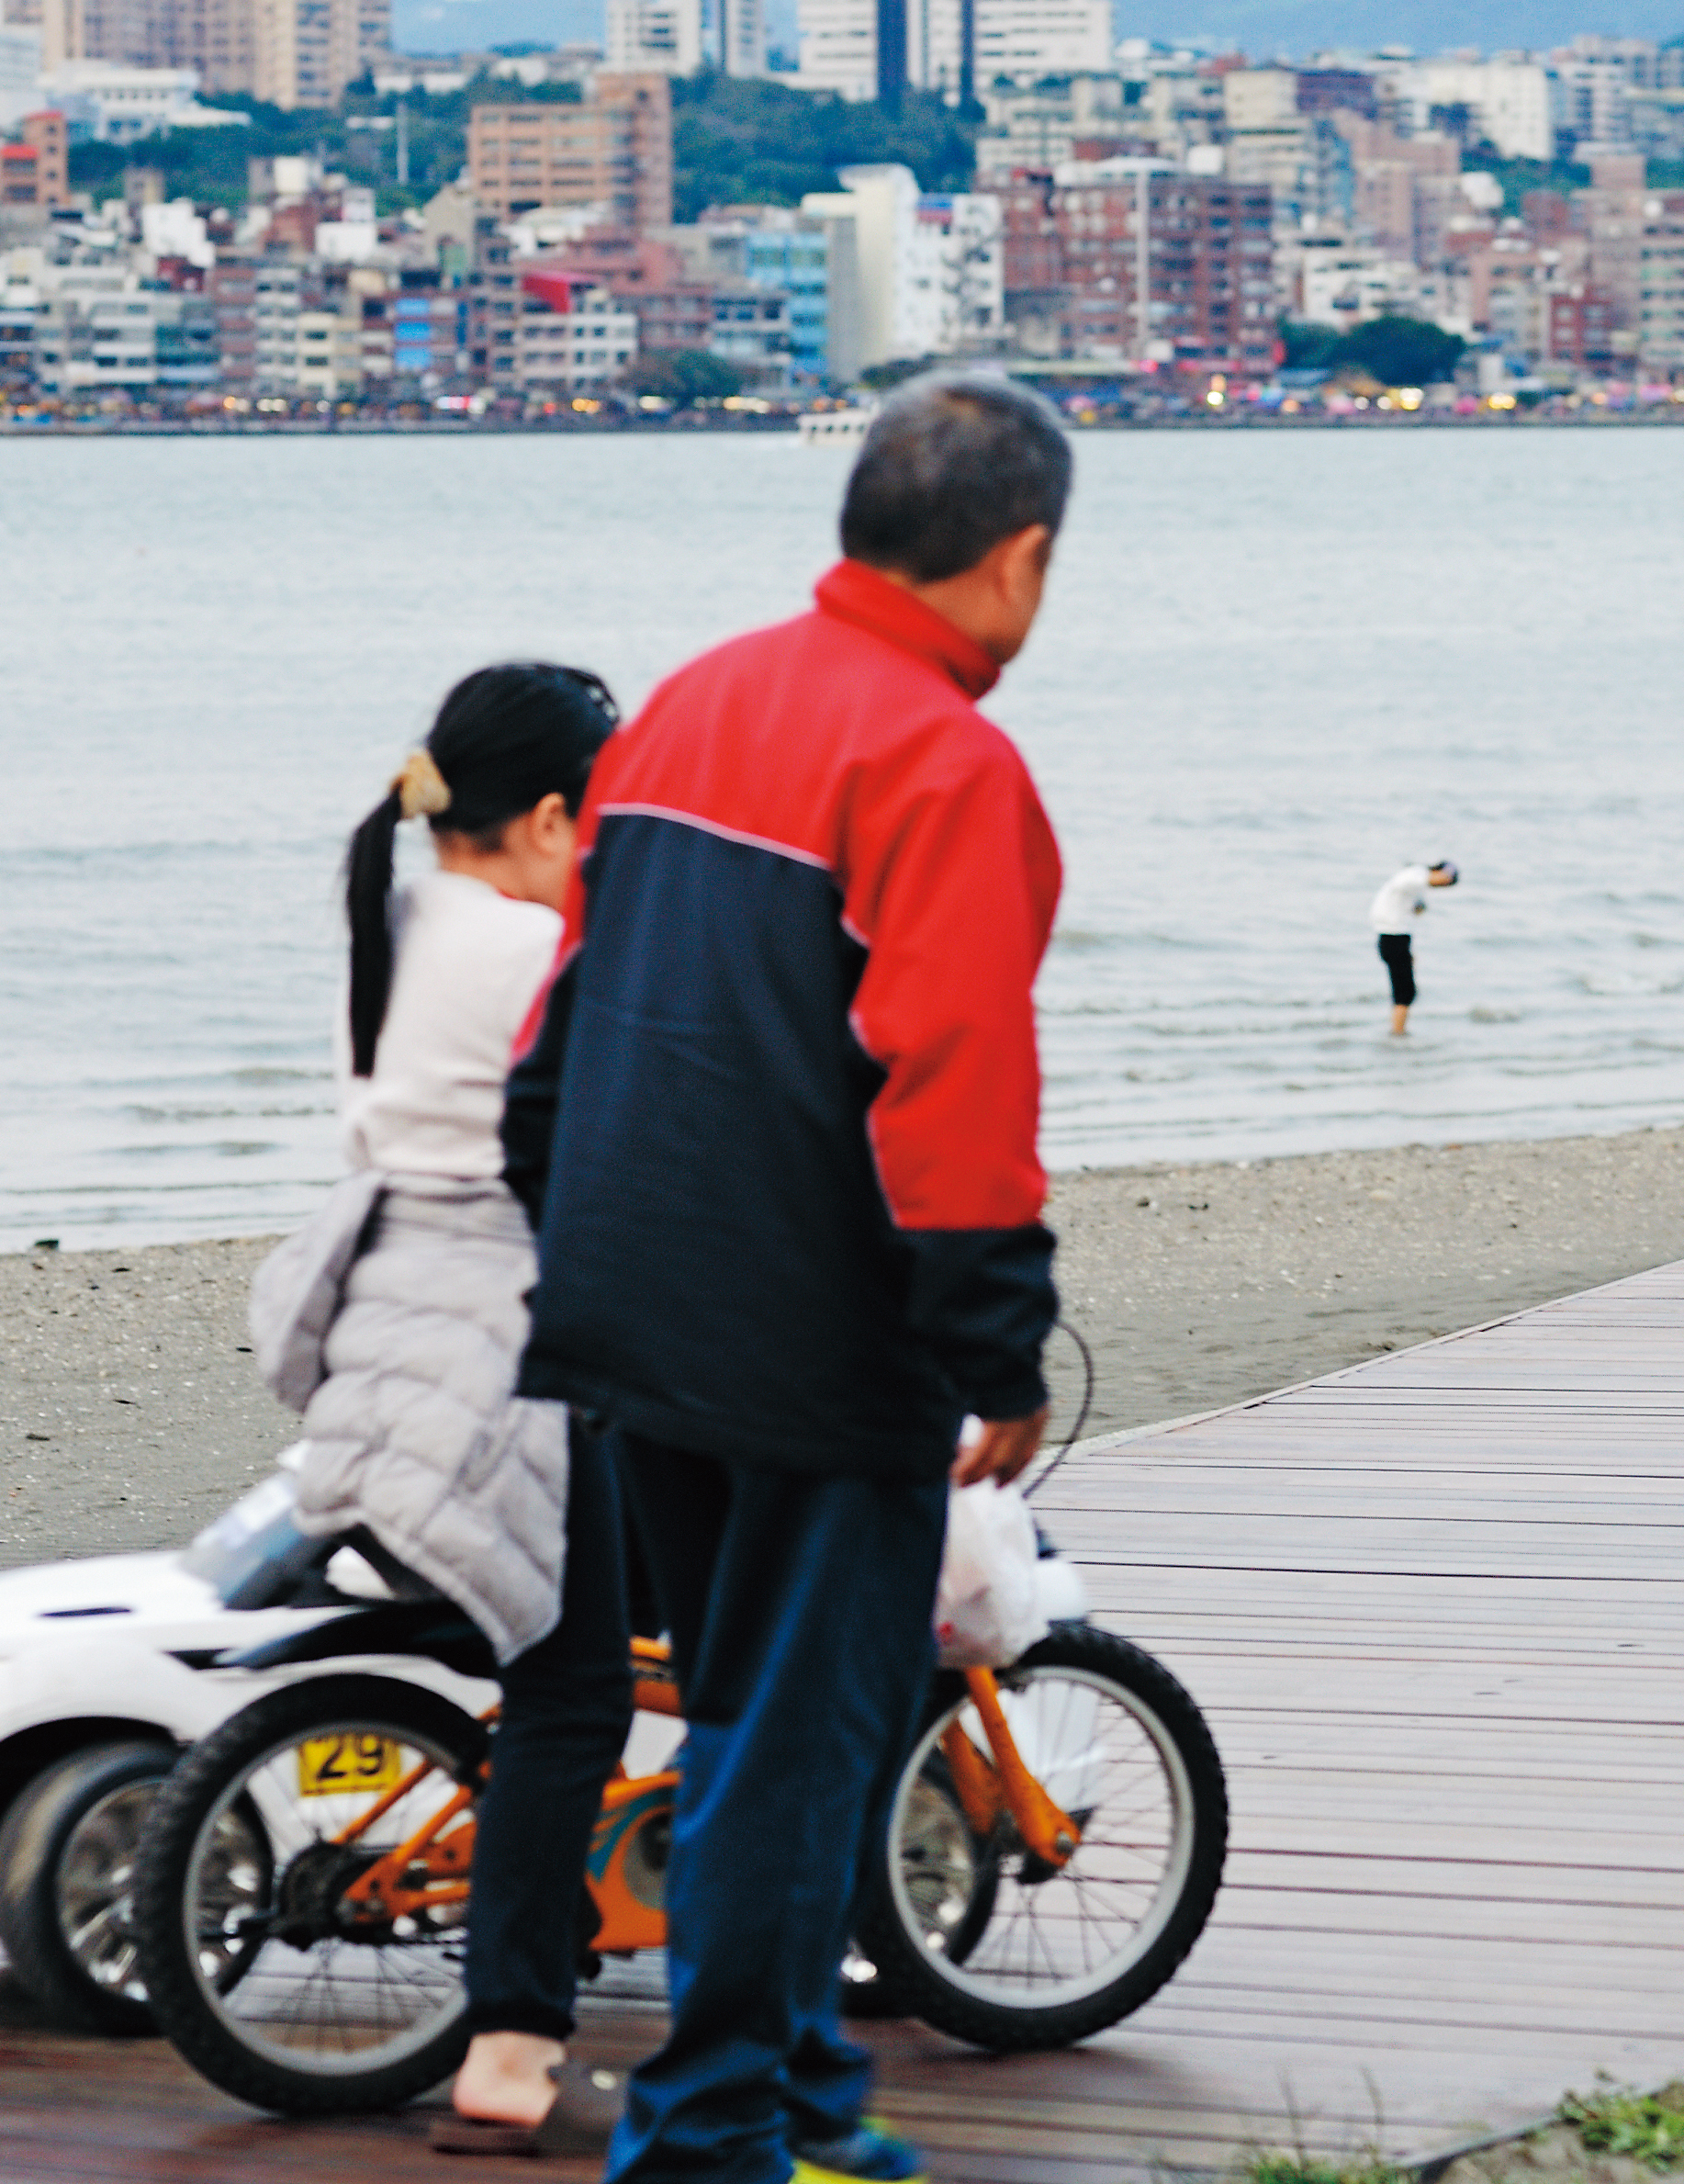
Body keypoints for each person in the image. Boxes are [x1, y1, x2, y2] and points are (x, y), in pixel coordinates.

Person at [503, 375, 1070, 2184]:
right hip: (818, 1334)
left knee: (764, 1711)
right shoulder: (942, 759)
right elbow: (953, 1078)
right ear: (1020, 558)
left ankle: (808, 2099)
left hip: (629, 1300)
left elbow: (562, 1022)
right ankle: (708, 2138)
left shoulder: (688, 700)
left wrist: (570, 1221)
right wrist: (994, 1345)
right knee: (789, 1738)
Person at [285, 665, 637, 2157]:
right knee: (579, 1692)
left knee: (567, 1635)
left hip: (384, 1321)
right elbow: (623, 1125)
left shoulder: (399, 910)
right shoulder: (534, 938)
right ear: (555, 812)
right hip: (491, 1343)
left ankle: (551, 1920)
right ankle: (509, 2044)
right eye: (602, 809)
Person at [1370, 859, 1459, 1035]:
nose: (1444, 886)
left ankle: (1398, 1031)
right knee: (1405, 992)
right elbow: (1408, 882)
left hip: (1395, 939)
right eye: (1447, 882)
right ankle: (1398, 1034)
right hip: (1393, 937)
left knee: (1405, 991)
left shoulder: (1416, 883)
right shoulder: (1415, 875)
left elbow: (1413, 908)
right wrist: (1444, 876)